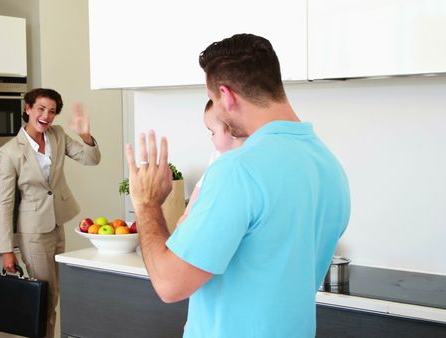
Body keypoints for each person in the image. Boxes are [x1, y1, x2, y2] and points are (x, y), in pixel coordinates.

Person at [125, 33, 350, 337]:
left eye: (215, 101)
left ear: (226, 95)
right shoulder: (329, 166)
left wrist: (146, 203)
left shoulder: (237, 170)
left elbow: (169, 284)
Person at [0, 88, 101, 338]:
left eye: (52, 111)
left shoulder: (57, 135)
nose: (46, 116)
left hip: (56, 223)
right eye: (41, 109)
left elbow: (91, 159)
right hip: (32, 231)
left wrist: (85, 134)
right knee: (45, 296)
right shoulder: (11, 151)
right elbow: (5, 202)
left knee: (53, 294)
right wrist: (6, 250)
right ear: (28, 109)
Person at [178, 99, 246, 224]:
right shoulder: (217, 157)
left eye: (213, 132)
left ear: (231, 129)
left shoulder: (251, 154)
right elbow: (200, 186)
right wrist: (187, 214)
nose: (211, 138)